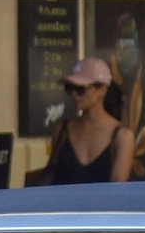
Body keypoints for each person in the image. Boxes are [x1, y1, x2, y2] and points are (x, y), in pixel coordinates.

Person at [32, 56, 136, 186]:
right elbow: (51, 176)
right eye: (69, 88)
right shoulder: (62, 130)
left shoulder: (122, 136)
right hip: (64, 206)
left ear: (102, 90)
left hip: (102, 206)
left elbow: (117, 191)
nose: (74, 94)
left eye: (81, 89)